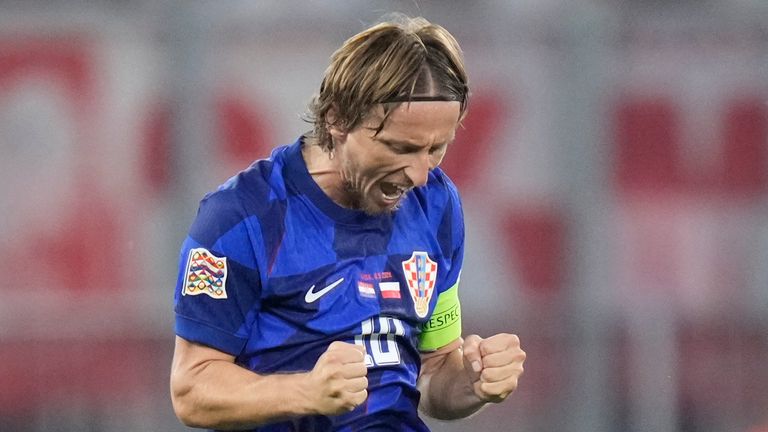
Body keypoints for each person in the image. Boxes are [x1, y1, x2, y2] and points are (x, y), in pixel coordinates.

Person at [170, 15, 526, 432]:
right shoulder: (242, 217)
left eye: (437, 149)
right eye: (400, 147)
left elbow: (432, 372)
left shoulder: (437, 205)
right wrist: (306, 392)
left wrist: (470, 382)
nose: (420, 173)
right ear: (337, 120)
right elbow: (192, 390)